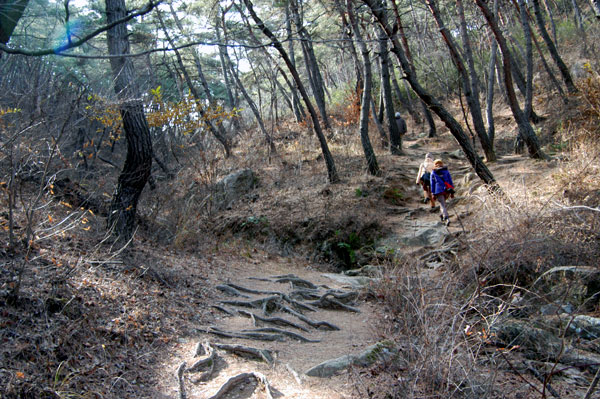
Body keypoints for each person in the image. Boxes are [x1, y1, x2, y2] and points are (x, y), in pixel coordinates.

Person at [430, 159, 455, 226]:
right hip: (447, 190)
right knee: (443, 203)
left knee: (442, 204)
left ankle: (446, 218)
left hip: (438, 190)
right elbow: (450, 181)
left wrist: (432, 193)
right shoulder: (446, 171)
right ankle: (441, 215)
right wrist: (452, 191)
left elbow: (432, 184)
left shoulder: (433, 172)